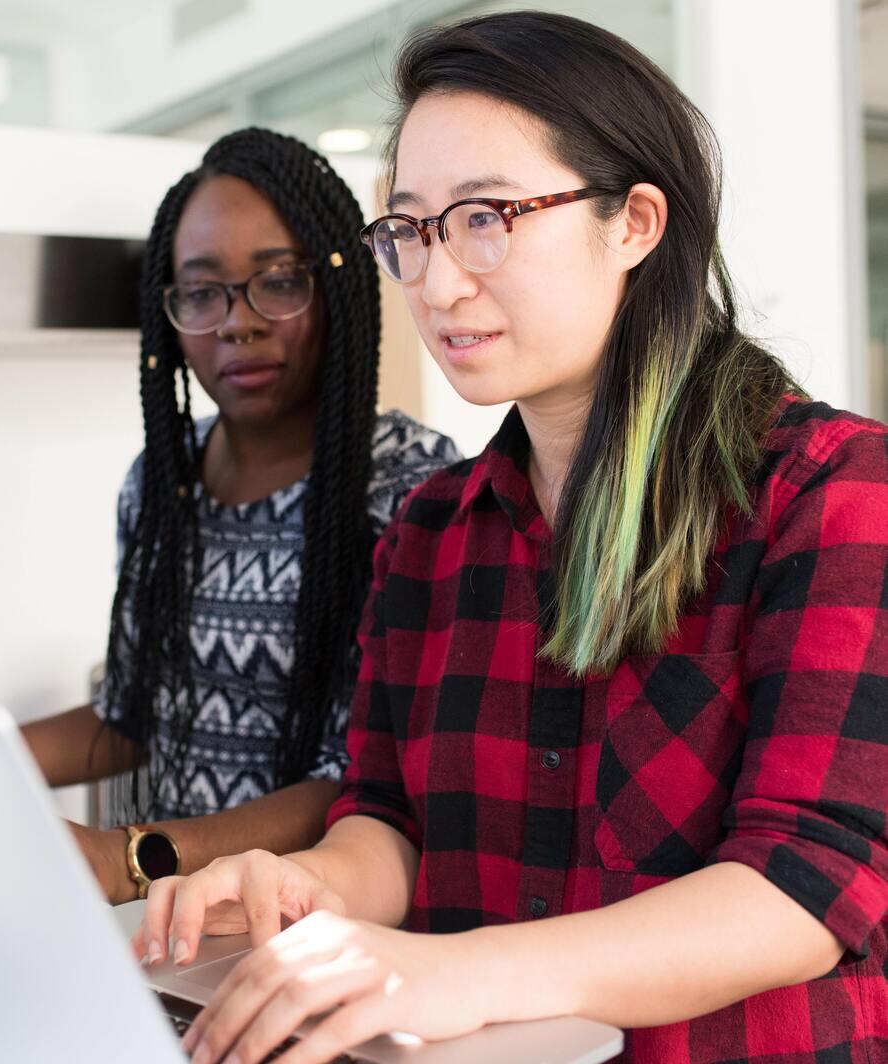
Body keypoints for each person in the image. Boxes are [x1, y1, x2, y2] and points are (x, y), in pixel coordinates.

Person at [134, 13, 888, 1064]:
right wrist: (309, 882)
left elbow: (808, 882)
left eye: (487, 216)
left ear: (634, 223)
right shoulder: (430, 531)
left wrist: (460, 969)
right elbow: (387, 820)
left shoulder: (832, 491)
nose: (438, 285)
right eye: (411, 230)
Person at [21, 128, 459, 906]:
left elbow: (364, 780)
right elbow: (132, 713)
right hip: (174, 927)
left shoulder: (411, 489)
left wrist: (131, 858)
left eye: (279, 282)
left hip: (320, 927)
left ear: (337, 288)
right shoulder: (161, 484)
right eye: (202, 292)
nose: (238, 322)